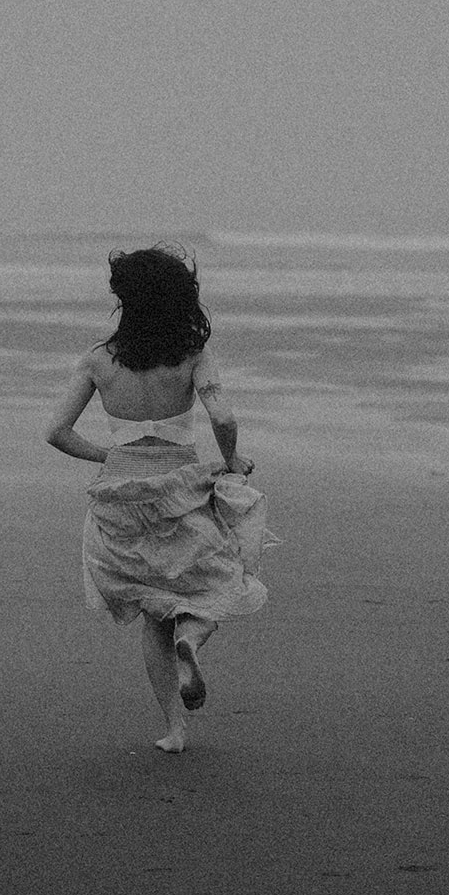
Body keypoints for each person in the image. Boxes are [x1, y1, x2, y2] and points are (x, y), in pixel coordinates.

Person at [45, 243, 273, 754]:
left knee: (153, 612)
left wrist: (109, 455)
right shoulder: (193, 355)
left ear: (124, 298)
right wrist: (232, 460)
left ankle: (174, 729)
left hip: (121, 496)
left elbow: (57, 432)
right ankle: (190, 638)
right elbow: (223, 416)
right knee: (220, 581)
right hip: (180, 487)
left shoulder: (99, 360)